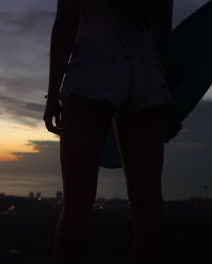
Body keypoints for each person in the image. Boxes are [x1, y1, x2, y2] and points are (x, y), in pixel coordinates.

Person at [44, 0, 173, 263]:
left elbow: (66, 22)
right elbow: (163, 29)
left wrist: (52, 96)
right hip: (146, 75)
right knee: (148, 202)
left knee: (77, 204)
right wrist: (169, 95)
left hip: (90, 71)